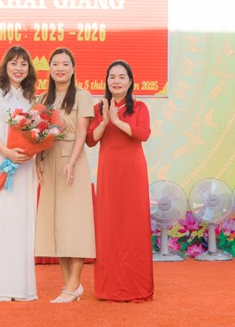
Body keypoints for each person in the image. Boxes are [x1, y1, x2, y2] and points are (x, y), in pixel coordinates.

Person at [86, 60, 153, 302]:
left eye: (122, 77)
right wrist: (105, 121)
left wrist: (118, 121)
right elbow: (90, 140)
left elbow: (143, 134)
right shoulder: (99, 108)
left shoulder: (140, 107)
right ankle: (109, 287)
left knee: (133, 224)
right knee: (109, 225)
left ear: (130, 81)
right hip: (109, 172)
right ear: (106, 81)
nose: (116, 81)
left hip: (133, 171)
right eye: (112, 77)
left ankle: (135, 286)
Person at [0, 46, 39, 302]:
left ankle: (19, 287)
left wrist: (30, 151)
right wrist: (8, 153)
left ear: (29, 69)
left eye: (23, 64)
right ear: (5, 66)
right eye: (14, 63)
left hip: (24, 167)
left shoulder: (31, 99)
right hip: (0, 163)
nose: (18, 68)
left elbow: (36, 133)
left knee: (20, 222)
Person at [35, 47, 95, 303]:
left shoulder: (82, 95)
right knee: (56, 221)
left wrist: (71, 161)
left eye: (65, 64)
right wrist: (38, 158)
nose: (60, 68)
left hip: (73, 163)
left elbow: (82, 132)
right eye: (55, 64)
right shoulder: (42, 99)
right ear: (49, 69)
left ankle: (74, 283)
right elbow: (36, 132)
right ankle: (68, 283)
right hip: (49, 161)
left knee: (75, 221)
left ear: (73, 68)